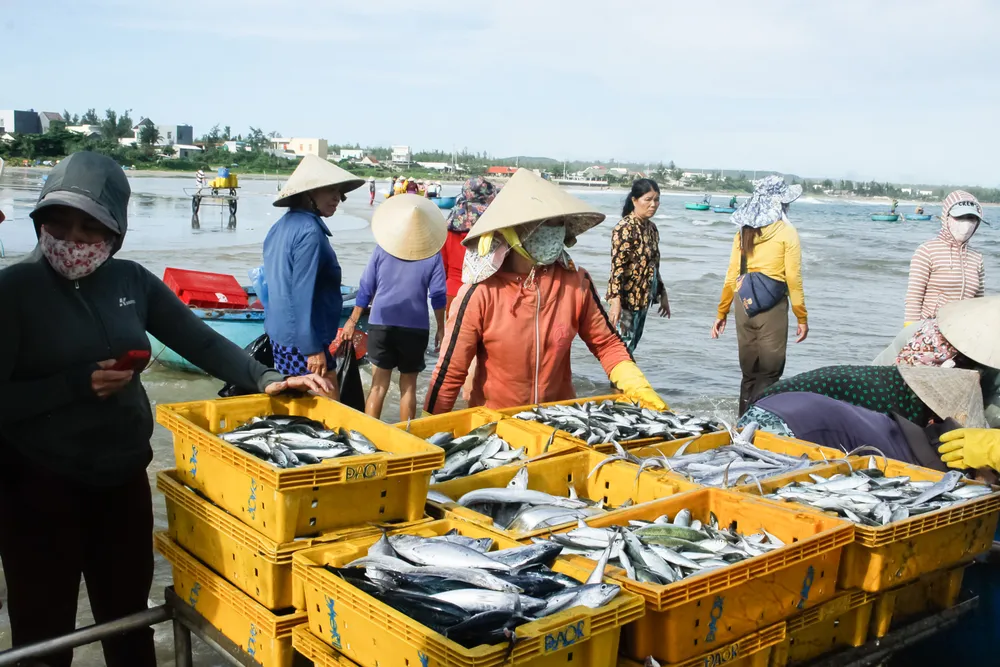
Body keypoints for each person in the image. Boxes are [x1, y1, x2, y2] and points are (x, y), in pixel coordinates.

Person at [0, 152, 331, 667]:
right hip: (37, 492)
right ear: (38, 219)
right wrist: (74, 384)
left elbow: (199, 339)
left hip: (122, 484)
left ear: (117, 231)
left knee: (128, 622)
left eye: (91, 226)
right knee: (43, 634)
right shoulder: (14, 291)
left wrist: (265, 379)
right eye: (58, 221)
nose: (72, 238)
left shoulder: (131, 281)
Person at [425, 168, 666, 414]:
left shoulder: (576, 283)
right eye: (547, 224)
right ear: (517, 229)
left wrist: (638, 387)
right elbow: (450, 373)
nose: (556, 231)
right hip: (496, 423)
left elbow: (606, 344)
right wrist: (430, 427)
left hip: (559, 420)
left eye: (560, 223)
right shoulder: (481, 293)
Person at [264, 155, 365, 395]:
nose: (337, 198)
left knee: (295, 407)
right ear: (307, 194)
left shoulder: (280, 227)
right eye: (329, 190)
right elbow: (301, 295)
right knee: (329, 415)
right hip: (303, 343)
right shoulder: (310, 233)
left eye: (339, 191)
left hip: (281, 336)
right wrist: (312, 349)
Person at [342, 195, 447, 422]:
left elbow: (366, 288)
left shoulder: (382, 250)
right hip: (415, 328)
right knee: (408, 387)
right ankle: (405, 438)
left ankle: (369, 436)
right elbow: (438, 295)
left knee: (379, 386)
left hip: (381, 324)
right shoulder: (432, 255)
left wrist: (352, 320)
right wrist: (441, 327)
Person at [711, 175, 808, 415]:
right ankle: (759, 424)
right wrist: (801, 317)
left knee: (749, 372)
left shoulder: (743, 232)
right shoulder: (787, 233)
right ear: (780, 203)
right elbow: (793, 279)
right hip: (771, 307)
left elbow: (731, 275)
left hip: (742, 304)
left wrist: (721, 312)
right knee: (770, 372)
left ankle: (741, 420)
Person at [607, 178, 670, 353]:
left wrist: (662, 294)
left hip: (643, 298)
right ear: (635, 200)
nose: (653, 204)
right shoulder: (624, 228)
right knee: (621, 349)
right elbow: (617, 268)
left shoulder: (651, 228)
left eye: (656, 200)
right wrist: (615, 301)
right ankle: (615, 381)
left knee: (631, 347)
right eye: (648, 199)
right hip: (626, 302)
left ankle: (619, 381)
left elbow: (654, 266)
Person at [904, 190, 985, 325]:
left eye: (971, 218)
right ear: (946, 217)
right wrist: (910, 331)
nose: (966, 223)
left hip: (963, 331)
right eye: (959, 217)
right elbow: (914, 298)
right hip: (929, 330)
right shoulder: (927, 251)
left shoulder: (977, 258)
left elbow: (979, 302)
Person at [441, 177, 500, 313]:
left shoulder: (450, 222)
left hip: (453, 290)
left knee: (453, 333)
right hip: (485, 292)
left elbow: (442, 265)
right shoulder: (493, 223)